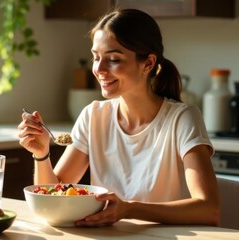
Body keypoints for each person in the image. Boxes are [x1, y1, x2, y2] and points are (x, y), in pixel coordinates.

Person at [18, 8, 220, 227]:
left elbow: (208, 209)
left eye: (113, 59)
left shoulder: (182, 118)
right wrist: (41, 154)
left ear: (148, 63)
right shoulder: (93, 116)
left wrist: (130, 208)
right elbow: (52, 197)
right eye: (96, 57)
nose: (99, 69)